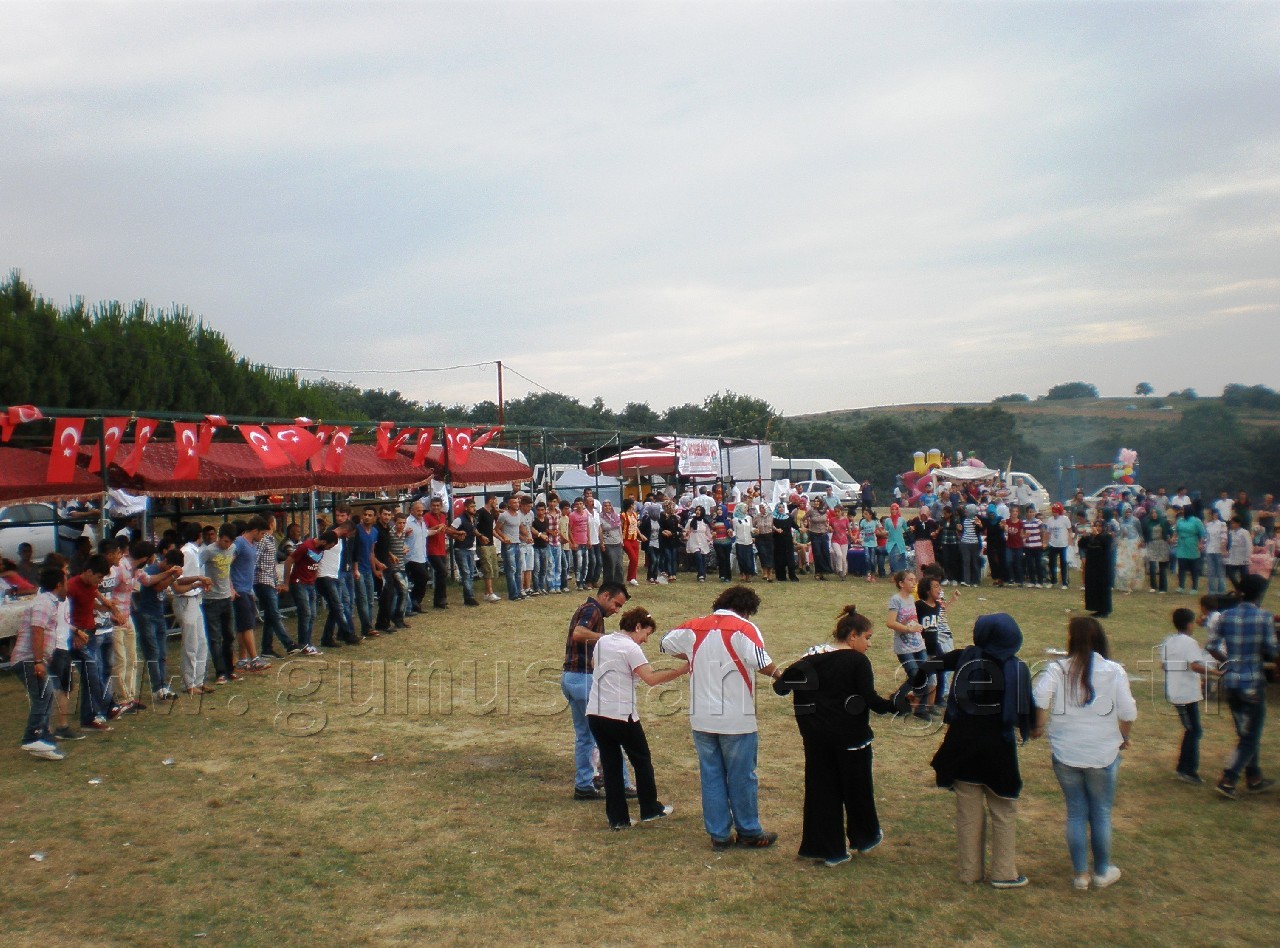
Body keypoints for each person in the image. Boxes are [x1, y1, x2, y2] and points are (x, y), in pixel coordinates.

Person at [773, 606, 909, 865]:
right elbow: (871, 701)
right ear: (852, 636)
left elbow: (781, 687)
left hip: (816, 739)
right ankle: (864, 836)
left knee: (821, 793)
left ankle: (827, 849)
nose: (868, 645)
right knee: (857, 790)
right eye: (867, 638)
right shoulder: (857, 662)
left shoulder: (811, 657)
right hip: (850, 738)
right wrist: (896, 704)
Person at [661, 585, 781, 850]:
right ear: (747, 609)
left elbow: (665, 643)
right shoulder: (744, 628)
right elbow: (761, 662)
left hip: (701, 716)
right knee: (742, 776)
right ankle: (749, 830)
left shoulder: (695, 626)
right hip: (736, 718)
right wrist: (781, 676)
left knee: (711, 775)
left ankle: (719, 834)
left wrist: (693, 655)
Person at [925, 613, 1033, 888]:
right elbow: (1026, 713)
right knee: (1003, 810)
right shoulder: (1016, 669)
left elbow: (930, 664)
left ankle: (969, 871)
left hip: (963, 743)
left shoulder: (965, 658)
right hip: (998, 746)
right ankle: (1003, 872)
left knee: (968, 812)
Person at [1032, 617, 1137, 890]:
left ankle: (1080, 875)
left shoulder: (1057, 669)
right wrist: (1123, 736)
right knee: (1100, 812)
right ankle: (1102, 870)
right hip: (1103, 752)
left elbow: (1040, 697)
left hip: (1066, 751)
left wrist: (1039, 727)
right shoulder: (1114, 670)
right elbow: (1128, 712)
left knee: (1076, 812)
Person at [586, 606, 689, 830]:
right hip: (621, 715)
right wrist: (681, 671)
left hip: (596, 712)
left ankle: (618, 819)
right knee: (641, 759)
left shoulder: (603, 642)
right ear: (637, 627)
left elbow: (595, 666)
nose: (645, 640)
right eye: (646, 634)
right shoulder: (630, 649)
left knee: (611, 765)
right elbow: (650, 678)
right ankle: (650, 808)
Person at [1206, 575, 1277, 798]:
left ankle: (1254, 776)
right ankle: (1229, 778)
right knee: (1250, 736)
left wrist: (1226, 662)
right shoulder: (1263, 617)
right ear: (1259, 594)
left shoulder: (1225, 616)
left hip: (1231, 681)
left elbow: (1211, 646)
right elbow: (1273, 650)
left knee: (1245, 732)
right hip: (1253, 683)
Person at [561, 582, 630, 800]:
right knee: (607, 732)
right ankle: (618, 782)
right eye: (616, 604)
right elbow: (579, 633)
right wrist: (611, 640)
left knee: (586, 736)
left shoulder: (587, 609)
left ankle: (585, 784)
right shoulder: (592, 610)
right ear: (605, 596)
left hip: (572, 678)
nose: (616, 610)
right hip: (583, 679)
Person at [12, 567, 69, 759]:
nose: (68, 586)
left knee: (47, 695)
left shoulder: (49, 602)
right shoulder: (44, 603)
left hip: (35, 658)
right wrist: (38, 661)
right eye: (66, 581)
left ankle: (43, 738)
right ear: (58, 584)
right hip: (28, 659)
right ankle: (31, 738)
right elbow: (37, 631)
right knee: (43, 697)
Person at [1160, 607, 1217, 785]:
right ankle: (1188, 770)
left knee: (1191, 729)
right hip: (1187, 693)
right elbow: (1195, 666)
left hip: (1175, 691)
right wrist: (1215, 673)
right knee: (1194, 731)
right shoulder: (1190, 643)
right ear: (1189, 624)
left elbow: (1164, 666)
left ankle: (1183, 767)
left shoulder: (1168, 641)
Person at [887, 571, 932, 716]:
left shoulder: (912, 598)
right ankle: (898, 699)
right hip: (904, 646)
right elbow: (890, 622)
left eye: (915, 580)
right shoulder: (896, 600)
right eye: (910, 580)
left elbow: (912, 618)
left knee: (925, 673)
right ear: (901, 583)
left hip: (917, 643)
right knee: (914, 674)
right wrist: (908, 628)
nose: (914, 583)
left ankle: (921, 708)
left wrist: (918, 629)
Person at [1078, 520, 1113, 618]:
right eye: (1096, 526)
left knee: (1102, 588)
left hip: (1102, 566)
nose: (1097, 528)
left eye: (1099, 526)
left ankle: (1104, 610)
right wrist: (1084, 537)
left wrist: (1097, 535)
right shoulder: (1091, 537)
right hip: (1092, 566)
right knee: (1093, 587)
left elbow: (1105, 544)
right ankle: (1096, 608)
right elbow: (1081, 545)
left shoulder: (1107, 536)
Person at [1173, 507, 1206, 594]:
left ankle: (1194, 588)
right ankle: (1181, 586)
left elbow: (1202, 534)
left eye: (1183, 510)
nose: (1182, 511)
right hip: (1181, 545)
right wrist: (1173, 538)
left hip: (1192, 544)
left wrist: (1201, 543)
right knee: (1181, 567)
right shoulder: (1180, 520)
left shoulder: (1196, 521)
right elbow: (1176, 531)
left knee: (1193, 568)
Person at [1044, 503, 1074, 590]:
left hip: (1063, 545)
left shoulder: (1065, 519)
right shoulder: (1050, 520)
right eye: (1053, 512)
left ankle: (1065, 582)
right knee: (1052, 563)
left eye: (1056, 512)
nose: (1054, 513)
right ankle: (1053, 581)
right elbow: (1048, 532)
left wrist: (1070, 540)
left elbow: (1069, 530)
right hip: (1053, 544)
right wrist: (1045, 542)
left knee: (1063, 563)